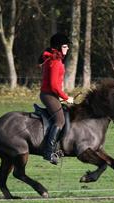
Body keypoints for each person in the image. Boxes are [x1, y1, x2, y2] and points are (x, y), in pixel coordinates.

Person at [39, 32, 74, 165]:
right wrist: (66, 98)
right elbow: (54, 86)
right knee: (60, 120)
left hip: (52, 94)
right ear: (59, 47)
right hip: (49, 95)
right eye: (65, 46)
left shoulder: (55, 60)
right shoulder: (55, 62)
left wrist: (63, 97)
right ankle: (48, 152)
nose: (68, 48)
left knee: (65, 115)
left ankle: (58, 148)